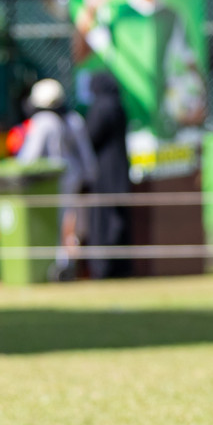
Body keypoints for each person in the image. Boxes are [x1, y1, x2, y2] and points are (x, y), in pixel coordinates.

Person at [75, 0, 206, 139]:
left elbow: (191, 66)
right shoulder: (115, 13)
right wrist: (90, 9)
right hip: (126, 123)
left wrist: (199, 101)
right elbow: (81, 54)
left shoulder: (172, 16)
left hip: (164, 125)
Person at [18, 79, 98, 279]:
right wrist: (88, 178)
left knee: (60, 225)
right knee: (72, 224)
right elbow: (87, 158)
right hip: (73, 179)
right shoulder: (73, 119)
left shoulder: (43, 121)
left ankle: (60, 267)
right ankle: (67, 264)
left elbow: (29, 158)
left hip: (49, 184)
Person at [84, 71, 132, 280]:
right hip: (120, 171)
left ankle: (103, 268)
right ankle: (119, 267)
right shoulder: (118, 105)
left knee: (103, 222)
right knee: (118, 220)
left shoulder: (101, 107)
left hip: (104, 174)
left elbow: (90, 137)